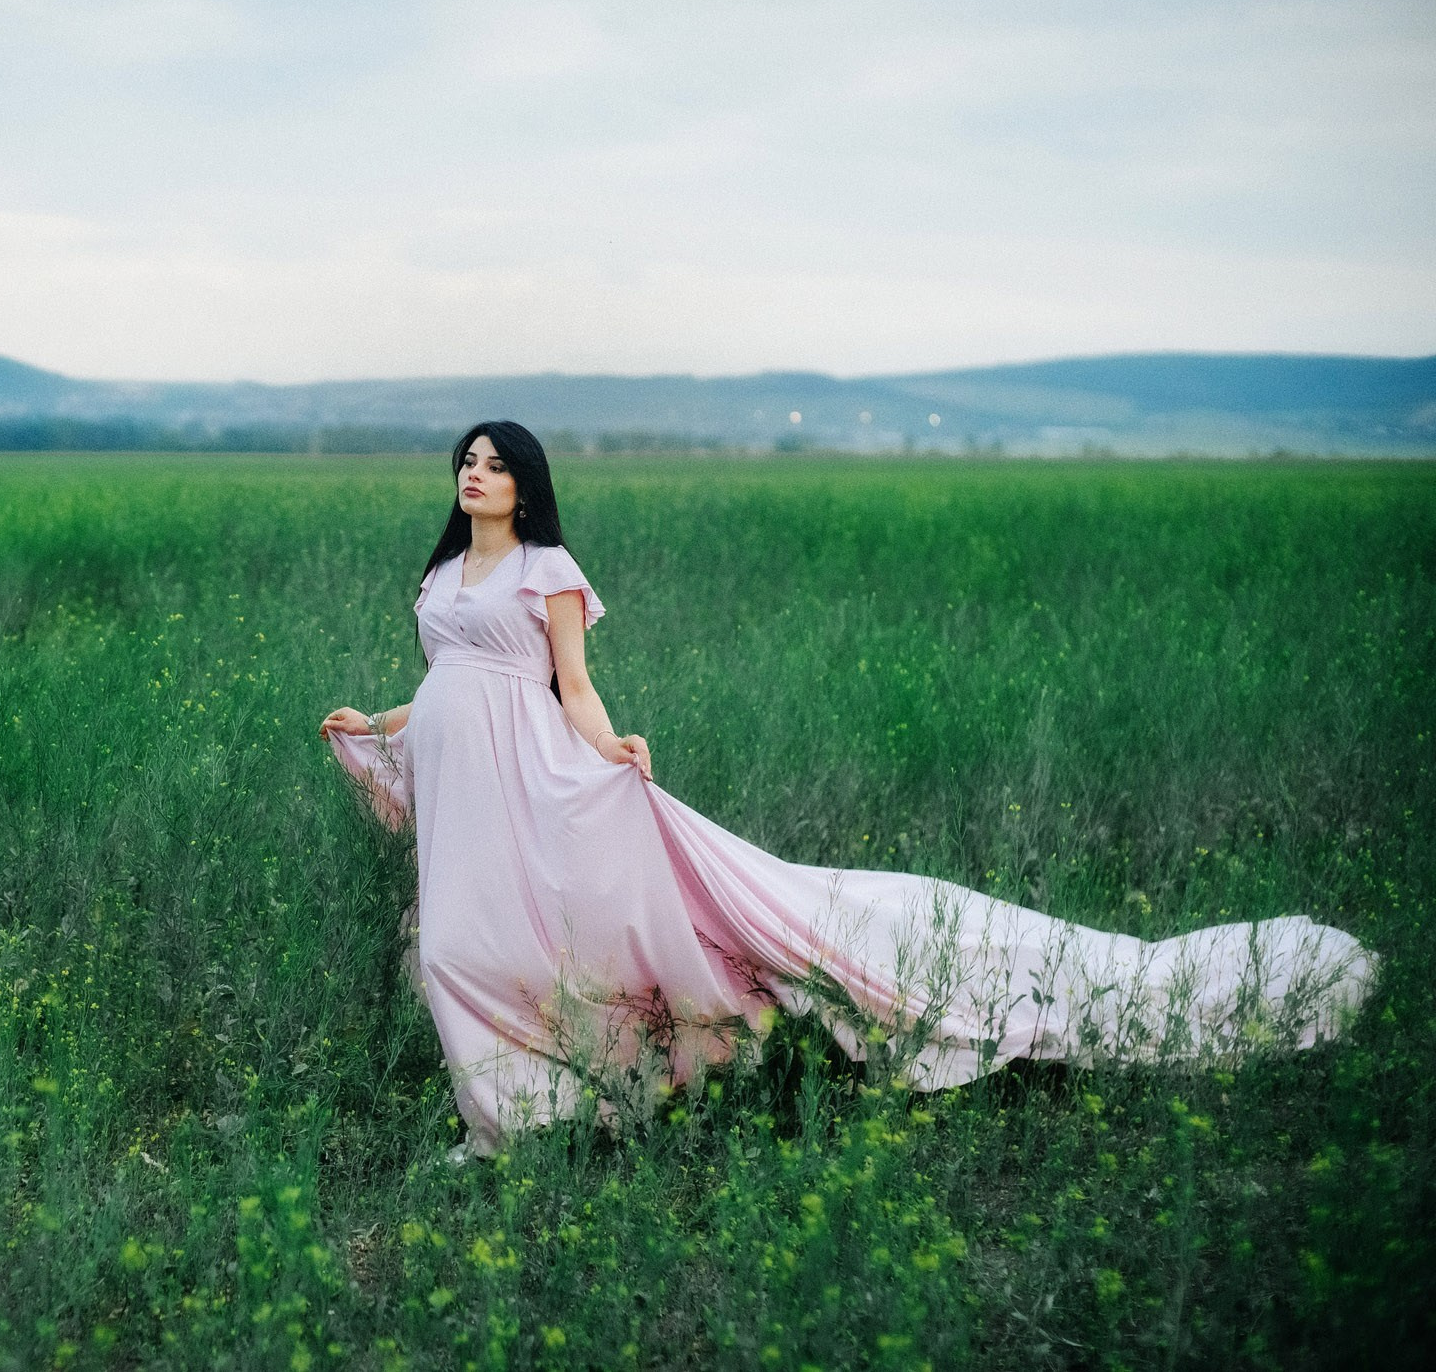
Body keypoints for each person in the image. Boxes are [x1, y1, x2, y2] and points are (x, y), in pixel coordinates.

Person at [321, 420, 1379, 1161]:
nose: (476, 474)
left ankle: (515, 1124)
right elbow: (448, 684)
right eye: (468, 461)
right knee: (463, 942)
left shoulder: (545, 568)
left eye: (496, 464)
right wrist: (378, 725)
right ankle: (533, 1106)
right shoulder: (443, 574)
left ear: (526, 484)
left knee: (487, 942)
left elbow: (570, 686)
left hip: (538, 777)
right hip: (463, 789)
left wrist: (613, 750)